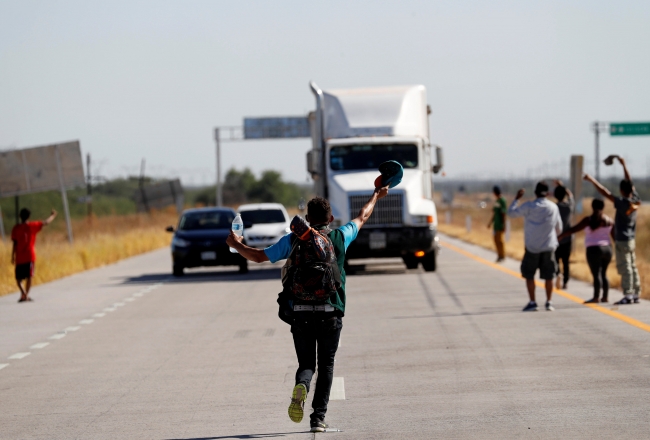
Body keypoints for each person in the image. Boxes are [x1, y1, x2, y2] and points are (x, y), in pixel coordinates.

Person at [226, 186, 389, 433]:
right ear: (330, 219)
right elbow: (362, 216)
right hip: (330, 311)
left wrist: (237, 244)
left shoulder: (292, 240)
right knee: (326, 366)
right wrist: (376, 195)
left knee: (306, 365)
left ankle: (302, 384)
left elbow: (259, 257)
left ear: (307, 218)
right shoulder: (340, 237)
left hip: (300, 311)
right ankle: (318, 418)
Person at [584, 155, 641, 304]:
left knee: (625, 266)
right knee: (632, 265)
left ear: (621, 190)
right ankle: (636, 292)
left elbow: (604, 192)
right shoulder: (634, 199)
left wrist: (591, 180)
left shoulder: (622, 203)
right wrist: (623, 165)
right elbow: (630, 183)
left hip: (622, 239)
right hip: (631, 239)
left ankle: (628, 294)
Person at [508, 182, 562, 312]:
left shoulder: (529, 206)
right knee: (549, 275)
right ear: (548, 193)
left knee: (529, 275)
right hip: (548, 246)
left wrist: (516, 199)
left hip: (532, 247)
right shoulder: (553, 207)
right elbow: (559, 228)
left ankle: (533, 302)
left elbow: (511, 213)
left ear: (535, 193)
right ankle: (549, 302)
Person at [558, 199, 613, 303]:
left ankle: (596, 297)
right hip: (608, 249)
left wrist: (561, 236)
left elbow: (574, 229)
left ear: (592, 207)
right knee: (604, 274)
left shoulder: (589, 220)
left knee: (596, 274)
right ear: (603, 207)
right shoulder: (609, 220)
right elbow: (615, 236)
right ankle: (605, 297)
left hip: (594, 249)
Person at [11, 208, 57, 303]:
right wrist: (53, 215)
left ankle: (23, 293)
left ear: (20, 216)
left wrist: (12, 256)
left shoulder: (16, 228)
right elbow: (45, 222)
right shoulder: (32, 226)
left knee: (18, 278)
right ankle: (26, 295)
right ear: (29, 217)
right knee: (29, 276)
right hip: (30, 256)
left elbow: (14, 243)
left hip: (19, 257)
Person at [553, 180, 574, 289]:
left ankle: (557, 275)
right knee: (566, 262)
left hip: (556, 238)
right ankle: (565, 282)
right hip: (567, 238)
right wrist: (562, 186)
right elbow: (570, 195)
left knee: (556, 260)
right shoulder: (569, 206)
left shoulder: (554, 207)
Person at [487, 185, 507, 262]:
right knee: (495, 240)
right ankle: (499, 255)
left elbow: (503, 213)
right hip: (496, 224)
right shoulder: (497, 201)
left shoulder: (502, 201)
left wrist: (504, 225)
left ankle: (502, 255)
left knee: (500, 240)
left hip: (500, 225)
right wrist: (490, 223)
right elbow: (494, 213)